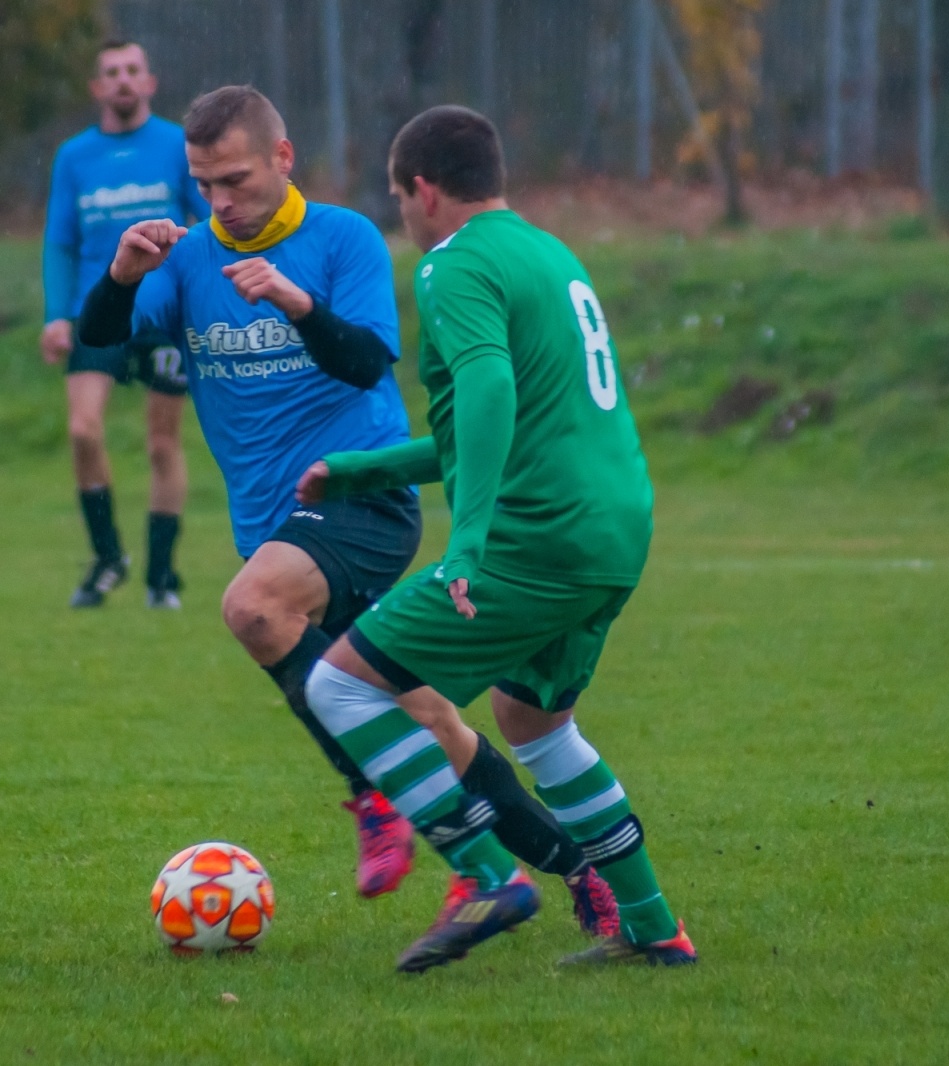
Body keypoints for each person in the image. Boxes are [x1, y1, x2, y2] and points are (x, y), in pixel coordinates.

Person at [75, 86, 619, 935]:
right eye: (204, 182)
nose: (220, 201)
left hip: (361, 502)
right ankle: (578, 869)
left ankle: (380, 802)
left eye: (238, 179)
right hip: (274, 526)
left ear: (283, 159)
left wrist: (294, 301)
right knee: (427, 718)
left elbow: (367, 363)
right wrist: (120, 276)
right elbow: (101, 343)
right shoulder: (183, 259)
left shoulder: (342, 238)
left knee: (252, 608)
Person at [298, 105, 695, 973]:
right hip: (616, 527)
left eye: (398, 197)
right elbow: (500, 420)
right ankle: (654, 928)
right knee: (532, 719)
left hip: (539, 537)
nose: (401, 215)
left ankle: (486, 873)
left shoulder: (453, 266)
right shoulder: (548, 253)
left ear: (424, 190)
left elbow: (487, 395)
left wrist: (467, 545)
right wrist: (364, 470)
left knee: (341, 689)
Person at [42, 40, 209, 608]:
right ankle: (108, 558)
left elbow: (208, 223)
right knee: (83, 430)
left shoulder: (174, 146)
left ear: (150, 82)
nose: (122, 80)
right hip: (100, 309)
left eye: (132, 70)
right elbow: (60, 242)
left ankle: (161, 576)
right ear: (97, 88)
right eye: (111, 72)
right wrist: (55, 316)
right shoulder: (74, 156)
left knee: (162, 443)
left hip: (160, 311)